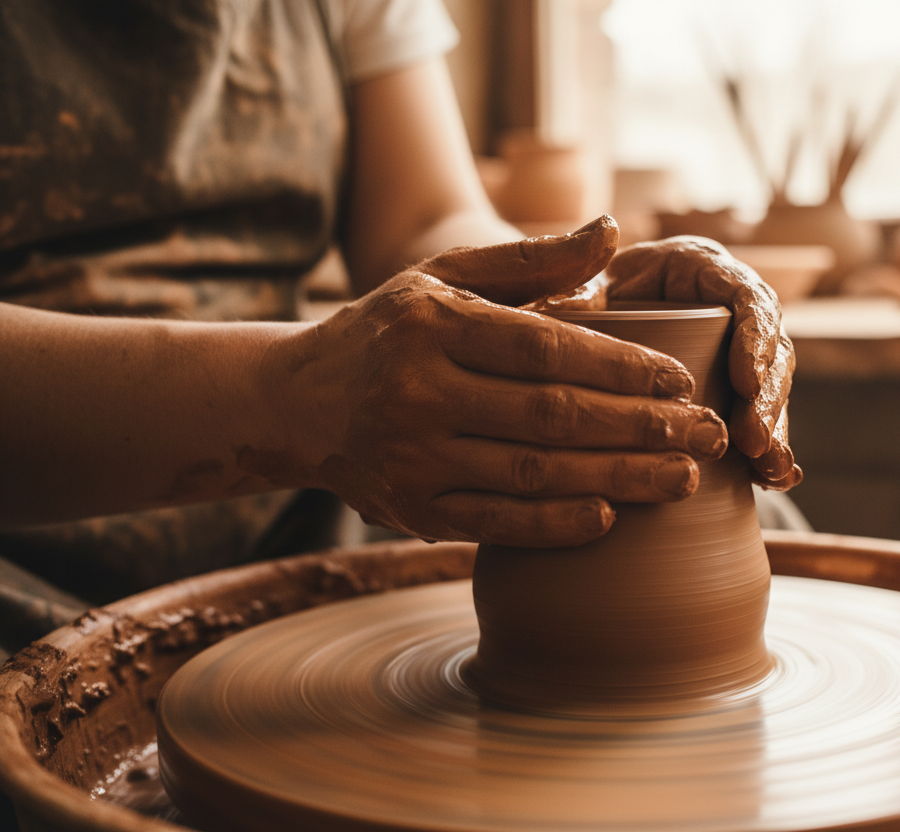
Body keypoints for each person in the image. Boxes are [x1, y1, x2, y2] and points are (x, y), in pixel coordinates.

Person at [0, 0, 799, 658]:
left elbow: (421, 220)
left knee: (744, 497)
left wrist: (580, 306)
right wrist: (299, 401)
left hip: (311, 511)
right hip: (31, 548)